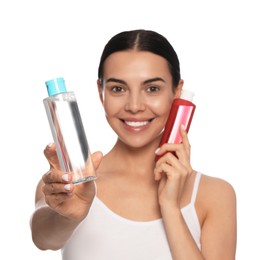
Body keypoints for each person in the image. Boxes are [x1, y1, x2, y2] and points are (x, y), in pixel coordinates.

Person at [30, 29, 237, 260]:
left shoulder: (215, 195)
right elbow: (43, 238)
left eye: (152, 89)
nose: (135, 106)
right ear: (101, 92)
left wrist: (169, 207)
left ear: (177, 92)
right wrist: (68, 216)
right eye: (118, 89)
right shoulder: (68, 185)